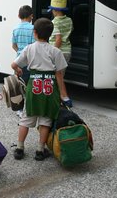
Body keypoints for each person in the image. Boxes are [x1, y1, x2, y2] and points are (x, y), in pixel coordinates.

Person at [11, 17, 72, 161]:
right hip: (49, 89)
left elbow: (14, 64)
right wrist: (64, 96)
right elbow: (59, 74)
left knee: (26, 118)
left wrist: (19, 70)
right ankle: (40, 150)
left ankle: (20, 148)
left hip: (34, 87)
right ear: (50, 35)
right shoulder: (55, 51)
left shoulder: (29, 48)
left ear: (35, 32)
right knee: (46, 119)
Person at [48, 0, 74, 70]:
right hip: (67, 51)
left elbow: (58, 39)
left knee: (54, 75)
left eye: (52, 10)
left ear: (55, 10)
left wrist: (53, 53)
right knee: (61, 75)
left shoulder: (54, 22)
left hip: (58, 51)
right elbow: (71, 30)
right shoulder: (69, 20)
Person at [12, 5, 35, 84]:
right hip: (29, 60)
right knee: (28, 83)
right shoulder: (33, 28)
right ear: (31, 16)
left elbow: (13, 46)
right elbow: (33, 46)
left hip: (18, 60)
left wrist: (19, 52)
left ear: (19, 16)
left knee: (19, 83)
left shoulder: (15, 29)